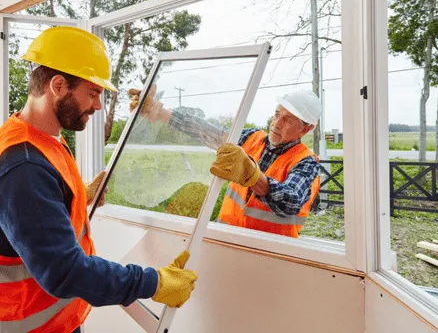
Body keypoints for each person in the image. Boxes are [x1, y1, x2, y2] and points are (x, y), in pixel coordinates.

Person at [0, 27, 197, 333]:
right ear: (59, 85)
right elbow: (64, 272)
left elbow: (35, 216)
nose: (97, 105)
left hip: (56, 319)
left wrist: (78, 195)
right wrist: (153, 282)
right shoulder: (24, 165)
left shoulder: (41, 139)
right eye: (92, 93)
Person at [129, 84, 321, 238]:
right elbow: (207, 131)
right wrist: (158, 112)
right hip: (226, 240)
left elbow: (290, 201)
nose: (276, 123)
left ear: (305, 129)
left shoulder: (306, 163)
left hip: (269, 254)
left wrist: (252, 176)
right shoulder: (251, 139)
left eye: (287, 120)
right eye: (277, 114)